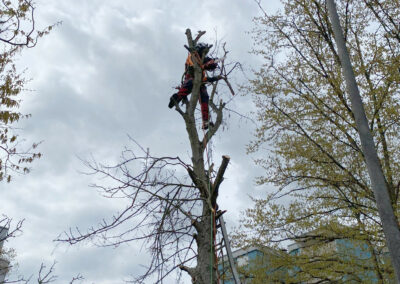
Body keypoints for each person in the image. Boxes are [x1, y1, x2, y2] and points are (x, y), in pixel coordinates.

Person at [168, 42, 222, 130]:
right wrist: (205, 65)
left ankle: (205, 121)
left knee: (204, 97)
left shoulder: (203, 58)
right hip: (191, 77)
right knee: (189, 84)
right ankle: (177, 98)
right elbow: (196, 66)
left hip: (201, 81)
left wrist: (213, 62)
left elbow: (210, 62)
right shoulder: (192, 56)